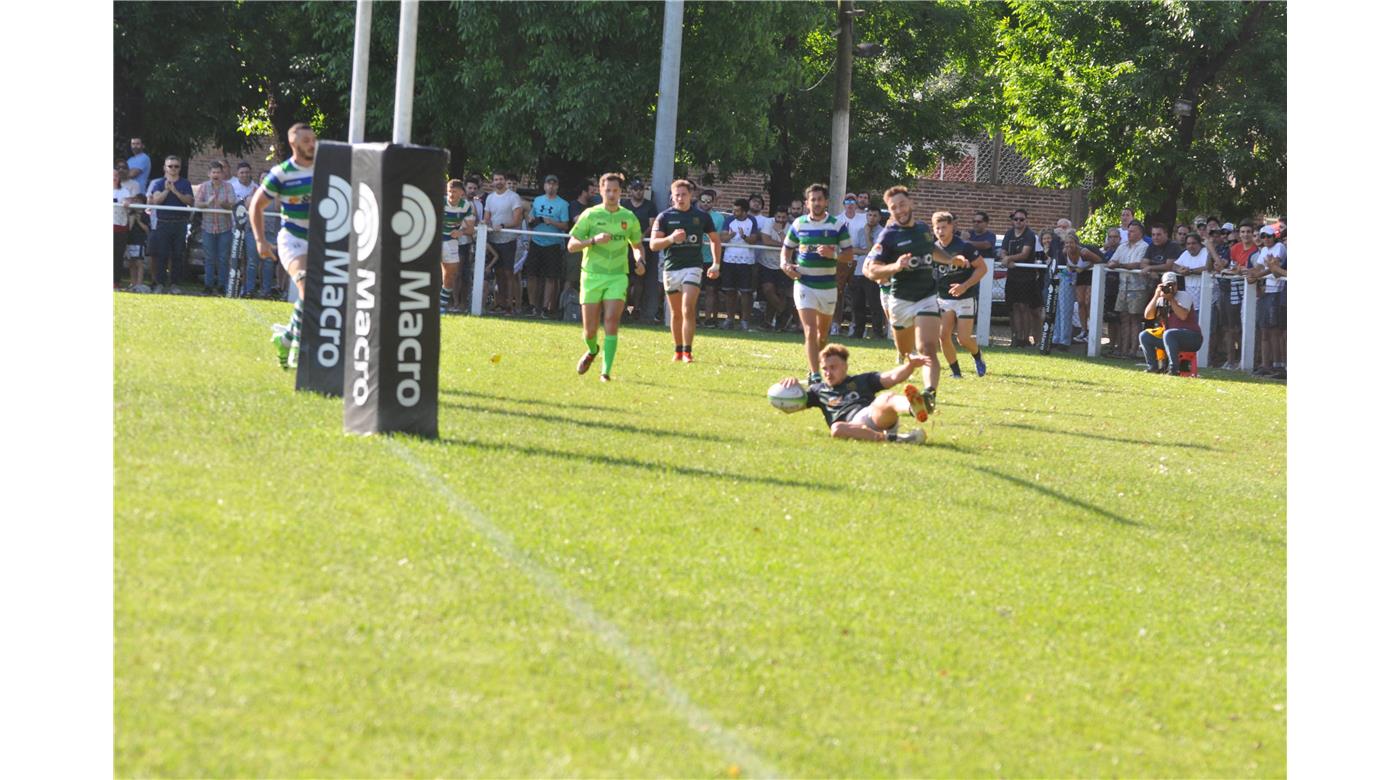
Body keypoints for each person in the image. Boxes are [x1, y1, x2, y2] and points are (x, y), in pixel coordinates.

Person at [862, 186, 947, 414]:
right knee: (907, 352)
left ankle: (930, 393)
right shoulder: (888, 236)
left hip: (927, 297)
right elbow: (871, 270)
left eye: (901, 204)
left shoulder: (923, 229)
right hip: (900, 301)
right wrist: (895, 266)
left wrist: (952, 260)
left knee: (928, 348)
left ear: (911, 203)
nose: (899, 210)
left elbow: (932, 249)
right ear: (889, 212)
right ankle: (903, 360)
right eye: (893, 208)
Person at [249, 122, 316, 369]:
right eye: (306, 140)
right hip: (293, 239)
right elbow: (256, 206)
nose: (312, 144)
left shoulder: (326, 169)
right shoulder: (282, 173)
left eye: (313, 139)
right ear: (293, 143)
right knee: (307, 287)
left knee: (313, 294)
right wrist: (260, 240)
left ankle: (285, 338)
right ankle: (298, 349)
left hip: (319, 241)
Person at [567, 173, 646, 382]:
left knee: (611, 321)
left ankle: (605, 372)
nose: (612, 194)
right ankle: (592, 351)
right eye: (608, 190)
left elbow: (637, 245)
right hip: (591, 276)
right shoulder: (590, 215)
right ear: (601, 191)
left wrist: (640, 261)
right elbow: (572, 245)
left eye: (616, 190)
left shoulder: (628, 217)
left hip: (617, 276)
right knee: (590, 331)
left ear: (621, 192)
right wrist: (593, 240)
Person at [772, 344, 930, 445]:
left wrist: (910, 366)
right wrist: (792, 387)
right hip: (851, 427)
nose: (828, 372)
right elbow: (792, 407)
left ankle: (914, 407)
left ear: (845, 366)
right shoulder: (818, 390)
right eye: (825, 368)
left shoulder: (862, 380)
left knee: (887, 398)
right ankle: (897, 439)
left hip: (873, 415)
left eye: (833, 367)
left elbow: (892, 377)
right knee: (836, 428)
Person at [781, 183, 853, 383]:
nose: (816, 203)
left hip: (828, 287)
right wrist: (785, 264)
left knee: (822, 335)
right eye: (813, 199)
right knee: (810, 331)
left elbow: (849, 255)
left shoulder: (837, 225)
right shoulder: (798, 224)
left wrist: (833, 254)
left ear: (826, 201)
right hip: (804, 284)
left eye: (820, 199)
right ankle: (815, 375)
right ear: (807, 203)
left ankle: (816, 363)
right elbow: (786, 248)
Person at [650, 179, 722, 362]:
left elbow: (715, 239)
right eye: (677, 195)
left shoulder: (702, 217)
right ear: (672, 197)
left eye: (684, 194)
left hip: (693, 266)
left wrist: (716, 264)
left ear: (691, 196)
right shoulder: (664, 217)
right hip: (671, 268)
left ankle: (688, 352)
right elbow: (653, 245)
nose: (680, 198)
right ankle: (678, 350)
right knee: (675, 313)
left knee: (687, 307)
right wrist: (672, 239)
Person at [931, 211, 988, 378]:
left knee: (963, 339)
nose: (940, 231)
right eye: (937, 228)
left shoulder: (964, 247)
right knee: (943, 335)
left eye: (943, 227)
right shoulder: (933, 249)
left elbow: (982, 268)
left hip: (965, 297)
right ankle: (956, 373)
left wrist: (964, 285)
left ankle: (977, 355)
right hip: (943, 298)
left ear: (952, 227)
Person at [145, 156, 194, 293]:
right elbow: (156, 201)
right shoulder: (159, 183)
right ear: (165, 168)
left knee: (177, 254)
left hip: (180, 223)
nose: (173, 169)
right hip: (163, 223)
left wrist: (175, 191)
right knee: (161, 255)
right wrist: (167, 190)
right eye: (170, 166)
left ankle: (175, 284)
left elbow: (190, 201)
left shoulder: (185, 183)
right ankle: (160, 283)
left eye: (176, 166)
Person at [525, 174, 570, 318]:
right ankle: (533, 306)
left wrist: (551, 222)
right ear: (544, 186)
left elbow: (565, 226)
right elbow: (530, 219)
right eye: (548, 183)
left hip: (553, 244)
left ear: (557, 186)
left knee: (551, 277)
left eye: (554, 184)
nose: (551, 186)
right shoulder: (537, 201)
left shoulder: (563, 204)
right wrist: (531, 220)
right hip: (536, 242)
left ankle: (546, 308)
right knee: (532, 275)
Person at [1138, 271, 1201, 374]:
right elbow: (1148, 316)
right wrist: (1156, 295)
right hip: (1170, 338)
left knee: (1169, 333)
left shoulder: (1184, 295)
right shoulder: (1161, 298)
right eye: (1167, 285)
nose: (1171, 287)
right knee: (1144, 335)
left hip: (1192, 338)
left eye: (1173, 284)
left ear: (1177, 285)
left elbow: (1183, 316)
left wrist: (1171, 300)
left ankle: (1173, 369)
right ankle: (1153, 367)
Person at [1106, 220, 1149, 358]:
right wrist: (1114, 263)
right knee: (1123, 318)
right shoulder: (1122, 247)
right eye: (1129, 231)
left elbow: (1137, 264)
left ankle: (1132, 351)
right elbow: (1112, 261)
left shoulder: (1144, 247)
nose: (1129, 233)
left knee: (1135, 319)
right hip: (1123, 287)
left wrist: (1120, 265)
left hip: (1138, 288)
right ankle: (1123, 350)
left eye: (1132, 231)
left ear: (1140, 233)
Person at [484, 172, 524, 315]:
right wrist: (484, 225)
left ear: (505, 181)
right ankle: (500, 304)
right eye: (495, 179)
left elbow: (517, 220)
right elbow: (486, 218)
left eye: (501, 179)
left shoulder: (514, 197)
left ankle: (510, 306)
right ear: (493, 182)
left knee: (509, 274)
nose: (498, 181)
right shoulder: (489, 198)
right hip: (493, 240)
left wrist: (502, 225)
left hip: (508, 240)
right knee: (498, 274)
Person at [195, 161, 237, 295]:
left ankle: (222, 287)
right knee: (209, 258)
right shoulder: (203, 187)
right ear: (209, 174)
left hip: (224, 228)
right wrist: (207, 203)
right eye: (213, 172)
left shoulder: (228, 187)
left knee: (224, 258)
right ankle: (208, 286)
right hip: (207, 228)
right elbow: (196, 204)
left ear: (222, 174)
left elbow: (232, 205)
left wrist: (222, 203)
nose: (216, 175)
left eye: (218, 172)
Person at [1250, 225, 1287, 377]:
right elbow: (1258, 267)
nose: (1265, 239)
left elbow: (1274, 267)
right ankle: (1266, 364)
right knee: (1264, 330)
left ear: (1274, 237)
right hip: (1265, 293)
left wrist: (1257, 275)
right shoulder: (1264, 250)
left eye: (1268, 236)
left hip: (1277, 292)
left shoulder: (1280, 247)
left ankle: (1278, 365)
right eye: (1263, 236)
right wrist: (1249, 273)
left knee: (1275, 332)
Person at [719, 198, 761, 330]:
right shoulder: (729, 220)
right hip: (729, 260)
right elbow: (722, 237)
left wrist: (744, 237)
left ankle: (744, 321)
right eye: (734, 210)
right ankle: (729, 319)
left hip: (746, 261)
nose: (734, 212)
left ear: (744, 211)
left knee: (746, 293)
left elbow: (753, 240)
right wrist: (731, 236)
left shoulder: (752, 221)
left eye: (737, 210)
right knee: (730, 291)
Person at [622, 179, 659, 323]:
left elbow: (652, 224)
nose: (638, 191)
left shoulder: (650, 206)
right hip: (624, 247)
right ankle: (623, 308)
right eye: (635, 189)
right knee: (624, 279)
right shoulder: (624, 205)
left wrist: (641, 235)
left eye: (641, 189)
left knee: (639, 278)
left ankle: (636, 309)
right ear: (630, 190)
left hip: (641, 246)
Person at [1000, 208, 1038, 346]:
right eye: (1016, 219)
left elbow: (1025, 254)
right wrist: (1006, 259)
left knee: (1024, 307)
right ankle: (1016, 337)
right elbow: (1002, 251)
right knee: (1014, 307)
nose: (1018, 221)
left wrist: (1008, 259)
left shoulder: (1029, 235)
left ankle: (1026, 338)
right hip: (1012, 276)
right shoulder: (1009, 234)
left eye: (1021, 219)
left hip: (1027, 276)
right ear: (1012, 220)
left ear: (1026, 221)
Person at [846, 202, 883, 339]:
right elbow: (852, 249)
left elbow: (873, 251)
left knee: (874, 305)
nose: (871, 218)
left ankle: (877, 333)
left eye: (874, 215)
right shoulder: (861, 230)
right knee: (857, 304)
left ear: (879, 218)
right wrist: (865, 251)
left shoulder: (882, 232)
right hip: (858, 271)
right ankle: (858, 332)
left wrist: (868, 236)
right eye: (869, 215)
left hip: (873, 273)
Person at [831, 193, 866, 336]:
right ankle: (835, 324)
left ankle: (855, 325)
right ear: (844, 203)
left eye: (853, 200)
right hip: (841, 261)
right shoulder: (837, 220)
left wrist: (854, 250)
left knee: (856, 295)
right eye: (847, 201)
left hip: (858, 260)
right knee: (837, 293)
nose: (850, 203)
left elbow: (865, 246)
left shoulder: (863, 219)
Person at [439, 179, 473, 314]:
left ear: (462, 193)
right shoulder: (439, 202)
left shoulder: (466, 206)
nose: (451, 195)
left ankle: (441, 304)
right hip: (434, 240)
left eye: (454, 192)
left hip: (451, 241)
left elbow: (470, 230)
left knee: (451, 273)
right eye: (449, 191)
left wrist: (461, 232)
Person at [1062, 231, 1103, 344]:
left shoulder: (1084, 252)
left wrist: (1085, 267)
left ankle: (1091, 330)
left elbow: (1099, 261)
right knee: (1080, 302)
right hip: (1079, 276)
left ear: (1076, 243)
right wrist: (1070, 267)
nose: (1069, 245)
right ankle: (1083, 330)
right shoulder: (1065, 251)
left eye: (1071, 242)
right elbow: (1068, 264)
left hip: (1090, 275)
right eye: (1066, 243)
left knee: (1088, 302)